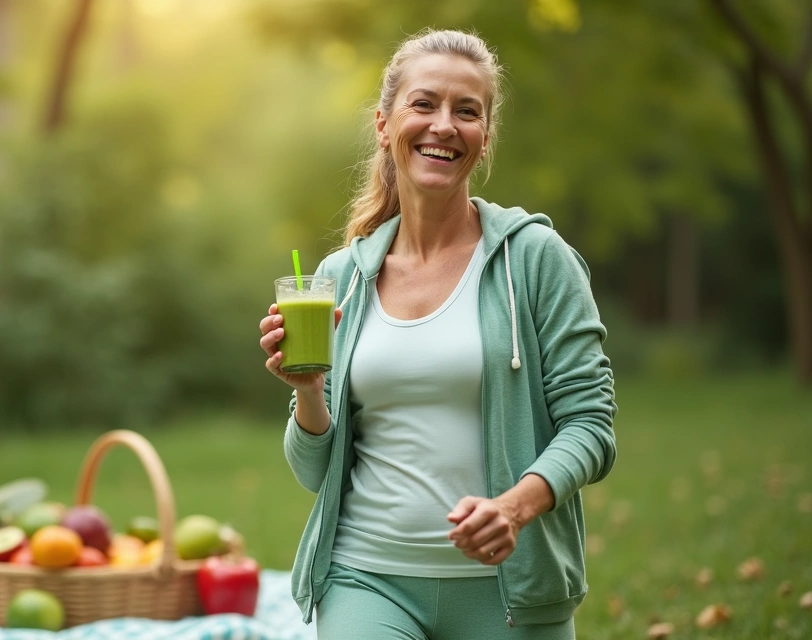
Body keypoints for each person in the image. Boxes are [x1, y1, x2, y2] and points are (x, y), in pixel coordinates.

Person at [257, 29, 617, 639]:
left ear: (484, 138)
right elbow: (315, 474)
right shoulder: (338, 280)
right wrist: (310, 391)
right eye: (423, 104)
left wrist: (513, 506)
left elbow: (591, 425)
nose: (444, 125)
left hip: (509, 587)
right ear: (383, 124)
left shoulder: (534, 260)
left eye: (467, 111)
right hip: (366, 578)